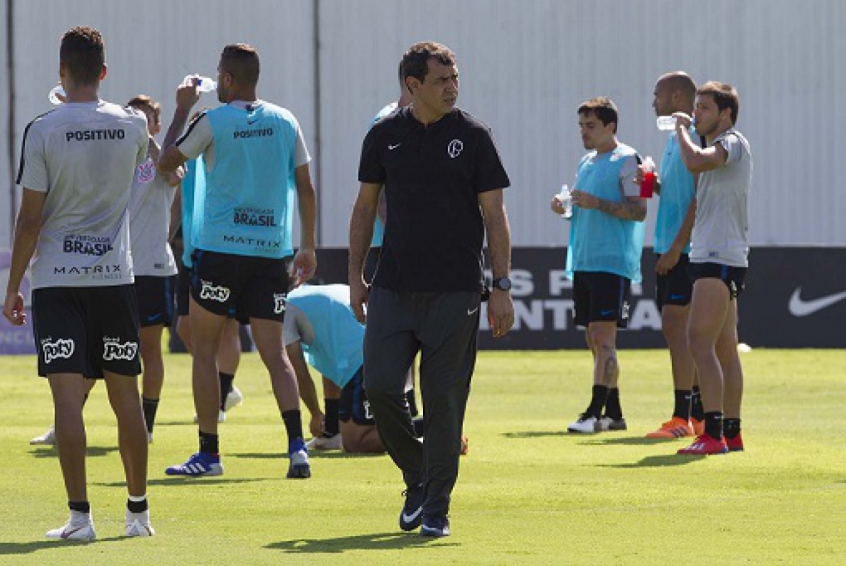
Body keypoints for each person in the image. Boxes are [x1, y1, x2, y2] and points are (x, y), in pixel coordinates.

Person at [349, 41, 514, 538]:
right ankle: (417, 475)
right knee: (380, 388)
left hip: (455, 291)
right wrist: (356, 276)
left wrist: (501, 285)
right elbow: (364, 208)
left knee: (443, 400)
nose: (452, 87)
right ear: (413, 85)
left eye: (455, 77)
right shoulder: (384, 135)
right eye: (441, 79)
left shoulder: (474, 136)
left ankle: (437, 507)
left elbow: (495, 214)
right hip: (392, 287)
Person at [4, 26, 154, 539]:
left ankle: (80, 518)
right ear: (104, 71)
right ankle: (138, 516)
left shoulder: (42, 129)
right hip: (115, 279)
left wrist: (12, 286)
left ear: (61, 71)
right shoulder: (133, 124)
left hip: (57, 282)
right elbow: (146, 167)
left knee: (67, 401)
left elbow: (30, 219)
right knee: (126, 396)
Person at [158, 43, 317, 478]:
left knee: (204, 352)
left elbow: (167, 163)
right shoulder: (286, 120)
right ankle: (297, 449)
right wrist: (308, 245)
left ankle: (209, 455)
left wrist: (181, 109)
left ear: (227, 79)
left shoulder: (211, 120)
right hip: (270, 254)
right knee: (276, 355)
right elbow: (305, 187)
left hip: (220, 254)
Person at [551, 97, 646, 435]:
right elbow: (584, 209)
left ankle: (593, 412)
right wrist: (566, 208)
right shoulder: (586, 161)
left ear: (610, 126)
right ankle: (614, 413)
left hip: (611, 261)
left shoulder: (628, 159)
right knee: (594, 337)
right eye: (581, 126)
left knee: (604, 338)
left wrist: (597, 203)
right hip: (584, 259)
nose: (584, 132)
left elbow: (639, 210)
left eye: (590, 126)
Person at [674, 82, 753, 455]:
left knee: (698, 343)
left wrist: (680, 131)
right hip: (721, 256)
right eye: (695, 108)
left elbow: (694, 161)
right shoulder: (716, 147)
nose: (695, 115)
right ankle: (731, 434)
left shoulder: (731, 141)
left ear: (725, 113)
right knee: (724, 348)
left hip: (717, 257)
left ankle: (713, 433)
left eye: (703, 108)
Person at [642, 72, 705, 439]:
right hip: (668, 246)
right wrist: (652, 183)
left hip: (685, 250)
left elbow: (700, 196)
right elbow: (678, 193)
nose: (654, 102)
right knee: (677, 330)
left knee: (679, 330)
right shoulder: (674, 137)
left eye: (657, 94)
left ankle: (683, 417)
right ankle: (696, 414)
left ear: (677, 96)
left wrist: (678, 248)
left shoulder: (695, 135)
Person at [174, 135, 244, 426]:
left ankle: (221, 397)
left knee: (228, 327)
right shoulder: (188, 160)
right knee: (184, 326)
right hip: (192, 253)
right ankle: (222, 386)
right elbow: (179, 199)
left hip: (223, 250)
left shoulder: (230, 157)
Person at [126, 95, 182, 443]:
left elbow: (173, 174)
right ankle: (66, 422)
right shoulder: (119, 156)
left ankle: (146, 424)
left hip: (153, 268)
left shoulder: (163, 157)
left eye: (144, 119)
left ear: (156, 127)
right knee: (106, 348)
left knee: (150, 349)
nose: (137, 123)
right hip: (116, 268)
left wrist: (147, 139)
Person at [285, 284, 384, 453]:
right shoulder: (306, 295)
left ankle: (426, 431)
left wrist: (315, 414)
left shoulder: (283, 310)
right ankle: (331, 431)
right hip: (384, 346)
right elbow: (330, 362)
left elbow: (299, 373)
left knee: (356, 443)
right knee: (331, 362)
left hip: (364, 358)